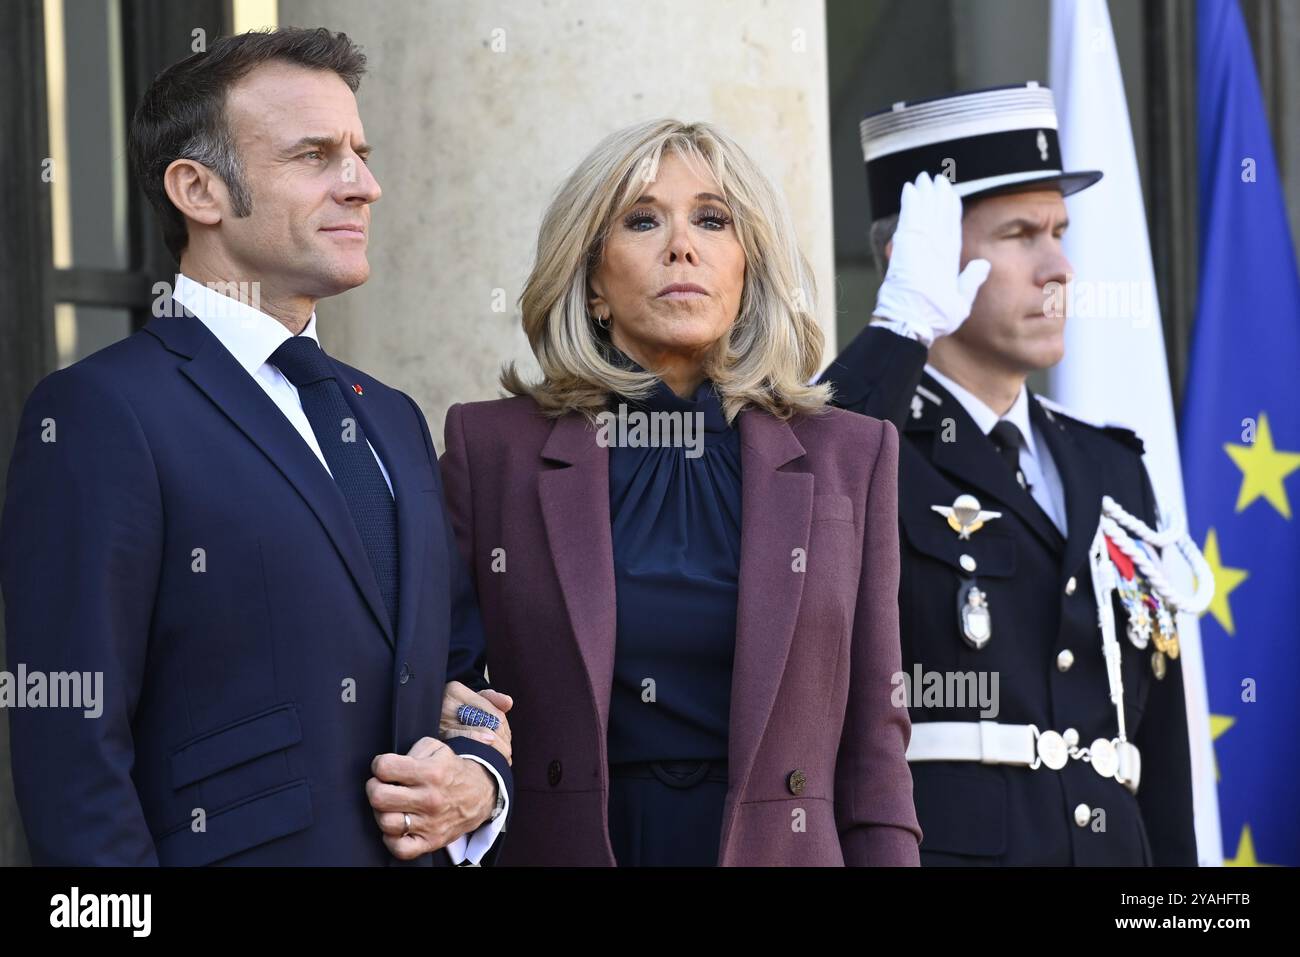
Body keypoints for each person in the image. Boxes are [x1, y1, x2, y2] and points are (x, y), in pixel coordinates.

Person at [0, 27, 511, 866]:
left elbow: (464, 665)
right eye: (316, 155)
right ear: (198, 189)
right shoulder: (97, 414)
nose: (365, 185)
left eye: (360, 152)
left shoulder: (390, 416)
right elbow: (72, 762)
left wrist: (482, 773)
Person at [439, 118, 921, 866]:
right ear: (594, 280)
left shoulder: (850, 453)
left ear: (747, 267)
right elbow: (445, 680)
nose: (681, 246)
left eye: (712, 218)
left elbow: (875, 750)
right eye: (642, 220)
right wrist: (472, 737)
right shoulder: (491, 447)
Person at [820, 83, 1197, 865]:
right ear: (913, 252)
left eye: (1060, 231)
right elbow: (793, 488)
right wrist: (897, 332)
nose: (1057, 266)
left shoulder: (1110, 465)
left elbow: (1156, 748)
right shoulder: (866, 439)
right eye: (1021, 233)